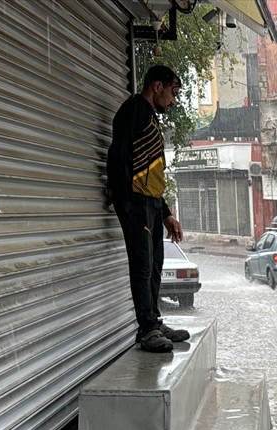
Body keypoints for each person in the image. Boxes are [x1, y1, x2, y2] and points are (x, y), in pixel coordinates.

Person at [106, 65, 189, 353]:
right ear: (157, 86)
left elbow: (151, 171)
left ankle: (154, 320)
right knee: (142, 267)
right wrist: (122, 194)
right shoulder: (133, 110)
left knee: (154, 266)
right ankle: (148, 329)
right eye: (173, 92)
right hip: (136, 202)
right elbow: (118, 153)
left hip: (151, 202)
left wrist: (165, 211)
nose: (174, 99)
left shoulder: (150, 117)